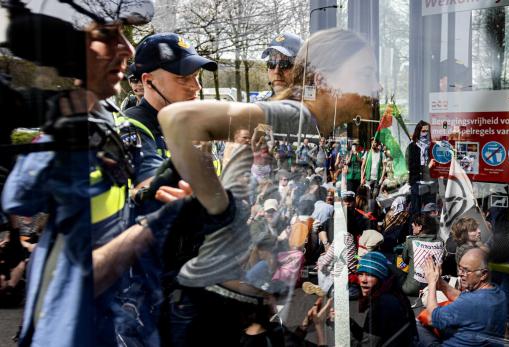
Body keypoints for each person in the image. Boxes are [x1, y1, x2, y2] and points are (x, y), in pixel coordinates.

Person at [155, 27, 380, 344]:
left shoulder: (312, 129)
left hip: (242, 304)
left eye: (283, 63)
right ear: (323, 80)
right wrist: (218, 207)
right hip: (209, 306)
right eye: (365, 74)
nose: (377, 86)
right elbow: (180, 121)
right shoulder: (292, 116)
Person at [1, 1, 155, 345]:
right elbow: (20, 198)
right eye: (107, 36)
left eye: (124, 37)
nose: (127, 49)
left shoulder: (112, 119)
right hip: (70, 315)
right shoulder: (66, 124)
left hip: (118, 306)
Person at [121, 32, 217, 213]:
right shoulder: (130, 125)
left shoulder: (192, 124)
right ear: (148, 81)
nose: (197, 86)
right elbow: (152, 186)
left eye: (196, 76)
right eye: (183, 78)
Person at [420, 248, 507, 346]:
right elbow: (460, 297)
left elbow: (431, 318)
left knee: (417, 325)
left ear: (483, 274)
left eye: (466, 270)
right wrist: (439, 281)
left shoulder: (470, 303)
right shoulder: (499, 294)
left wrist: (431, 282)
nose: (460, 274)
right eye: (460, 269)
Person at [340, 251, 418, 346]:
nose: (363, 280)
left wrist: (341, 331)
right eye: (361, 274)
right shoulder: (395, 295)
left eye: (370, 275)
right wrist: (349, 323)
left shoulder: (381, 305)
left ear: (380, 277)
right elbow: (371, 335)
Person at [400, 213, 442, 296]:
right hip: (434, 288)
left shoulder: (410, 241)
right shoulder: (440, 242)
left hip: (412, 288)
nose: (412, 224)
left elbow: (405, 260)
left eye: (414, 223)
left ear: (420, 227)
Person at [259, 33, 303, 100]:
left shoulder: (310, 106)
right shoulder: (264, 102)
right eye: (272, 64)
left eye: (285, 64)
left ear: (301, 69)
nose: (276, 71)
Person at [406, 121, 435, 214]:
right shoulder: (412, 146)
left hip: (429, 183)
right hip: (417, 183)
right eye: (423, 131)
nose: (425, 133)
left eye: (427, 131)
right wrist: (427, 167)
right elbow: (412, 167)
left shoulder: (432, 147)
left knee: (428, 213)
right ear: (418, 131)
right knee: (416, 213)